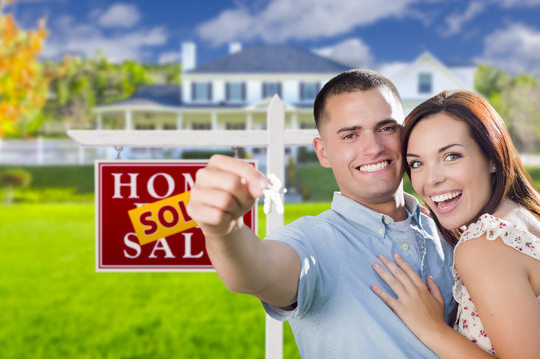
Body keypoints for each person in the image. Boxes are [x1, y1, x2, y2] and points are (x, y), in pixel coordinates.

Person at [188, 69, 456, 358]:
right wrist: (224, 232)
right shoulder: (314, 240)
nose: (373, 148)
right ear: (323, 152)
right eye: (350, 135)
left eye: (386, 128)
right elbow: (258, 273)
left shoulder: (448, 226)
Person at [371, 90, 540, 358]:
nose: (432, 179)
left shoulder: (484, 247)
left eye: (451, 156)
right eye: (417, 163)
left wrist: (432, 329)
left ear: (492, 158)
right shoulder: (523, 217)